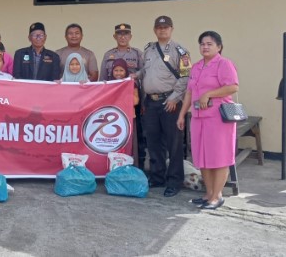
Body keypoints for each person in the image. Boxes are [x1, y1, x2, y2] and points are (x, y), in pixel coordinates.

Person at [177, 31, 238, 210]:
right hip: (198, 118)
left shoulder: (224, 64)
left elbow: (233, 86)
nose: (205, 46)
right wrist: (182, 114)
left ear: (219, 47)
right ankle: (208, 194)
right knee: (202, 157)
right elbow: (189, 92)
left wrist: (209, 94)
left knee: (219, 157)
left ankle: (217, 196)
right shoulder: (196, 67)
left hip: (218, 118)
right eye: (202, 43)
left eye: (210, 44)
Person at [134, 15, 191, 197]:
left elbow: (185, 76)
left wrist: (175, 98)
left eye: (166, 27)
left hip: (170, 102)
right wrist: (136, 75)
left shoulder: (181, 51)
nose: (162, 30)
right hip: (151, 102)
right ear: (154, 30)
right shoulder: (149, 50)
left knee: (174, 143)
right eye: (159, 27)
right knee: (153, 142)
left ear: (171, 29)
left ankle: (174, 181)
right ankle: (157, 177)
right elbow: (147, 71)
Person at [100, 23, 146, 169]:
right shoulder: (108, 55)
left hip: (133, 102)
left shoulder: (137, 54)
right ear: (115, 36)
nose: (123, 37)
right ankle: (113, 164)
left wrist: (143, 102)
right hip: (113, 103)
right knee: (113, 134)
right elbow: (102, 80)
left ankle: (138, 166)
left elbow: (144, 76)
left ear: (130, 36)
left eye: (126, 34)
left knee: (137, 135)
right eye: (119, 34)